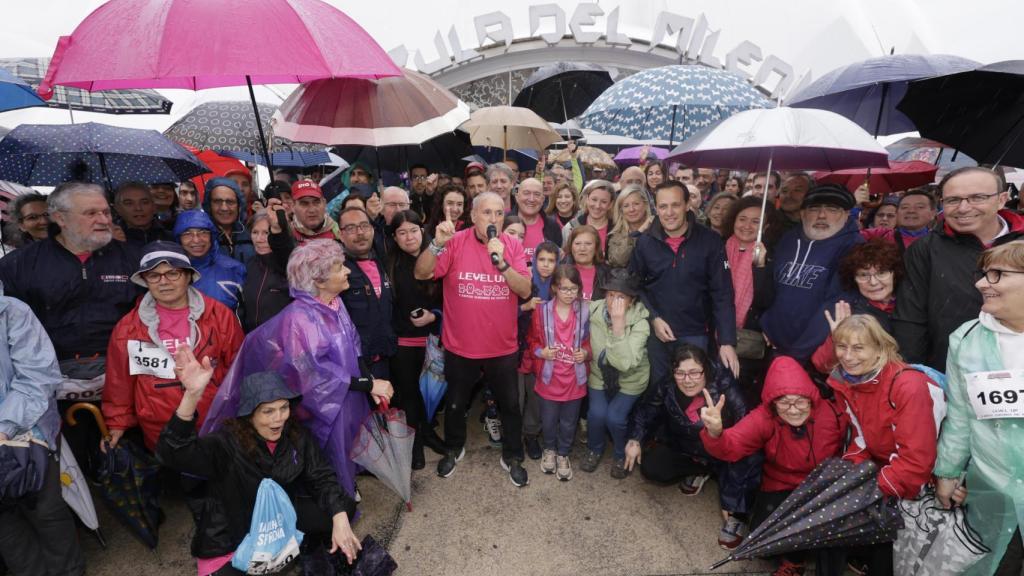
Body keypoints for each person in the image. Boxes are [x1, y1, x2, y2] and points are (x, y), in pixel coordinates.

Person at [201, 239, 393, 498]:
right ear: (318, 280)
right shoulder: (300, 318)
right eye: (339, 267)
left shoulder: (334, 304)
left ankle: (348, 486)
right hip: (325, 406)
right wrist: (369, 384)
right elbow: (313, 373)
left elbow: (353, 345)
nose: (347, 271)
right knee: (332, 453)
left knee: (350, 444)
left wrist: (368, 383)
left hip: (348, 395)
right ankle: (338, 506)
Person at [157, 360, 361, 574]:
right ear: (249, 414)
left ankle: (301, 545)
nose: (279, 418)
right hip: (234, 534)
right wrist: (191, 395)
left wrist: (340, 519)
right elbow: (172, 453)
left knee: (343, 507)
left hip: (279, 519)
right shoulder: (226, 444)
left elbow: (321, 477)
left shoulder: (296, 437)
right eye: (268, 411)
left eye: (284, 408)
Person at [414, 191, 532, 486]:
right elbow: (422, 272)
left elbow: (526, 290)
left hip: (501, 346)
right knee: (456, 403)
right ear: (474, 215)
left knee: (510, 405)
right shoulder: (455, 242)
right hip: (460, 346)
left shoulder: (512, 245)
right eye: (487, 213)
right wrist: (436, 243)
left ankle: (513, 455)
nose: (494, 219)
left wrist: (503, 263)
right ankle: (454, 447)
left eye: (499, 214)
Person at [700, 356, 847, 575]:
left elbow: (857, 445)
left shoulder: (833, 414)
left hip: (824, 484)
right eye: (784, 401)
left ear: (811, 398)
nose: (794, 409)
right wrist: (715, 433)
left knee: (830, 531)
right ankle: (799, 549)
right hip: (781, 485)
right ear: (772, 402)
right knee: (765, 545)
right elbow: (731, 446)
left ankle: (797, 561)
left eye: (800, 401)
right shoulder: (764, 418)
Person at [824, 314, 939, 575]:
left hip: (921, 478)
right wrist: (851, 477)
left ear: (880, 349)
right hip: (886, 467)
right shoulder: (847, 381)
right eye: (842, 347)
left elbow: (916, 461)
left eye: (858, 347)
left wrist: (871, 490)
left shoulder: (907, 385)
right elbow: (858, 438)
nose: (847, 356)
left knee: (885, 553)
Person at [935, 241, 1024, 576]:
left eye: (997, 274)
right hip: (992, 489)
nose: (981, 283)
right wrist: (948, 472)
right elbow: (960, 415)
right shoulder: (966, 339)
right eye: (985, 273)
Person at [102, 242, 243, 451]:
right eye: (154, 275)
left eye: (173, 273)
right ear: (144, 281)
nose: (163, 282)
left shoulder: (219, 316)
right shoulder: (128, 328)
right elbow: (119, 382)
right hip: (159, 429)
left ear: (188, 276)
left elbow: (238, 368)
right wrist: (117, 423)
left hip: (215, 422)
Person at [626, 344, 759, 550]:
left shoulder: (724, 383)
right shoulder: (668, 384)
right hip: (688, 448)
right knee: (652, 466)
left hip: (724, 450)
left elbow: (747, 422)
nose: (687, 380)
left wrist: (732, 501)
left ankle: (736, 515)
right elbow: (646, 410)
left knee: (747, 460)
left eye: (695, 372)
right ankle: (701, 469)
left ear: (705, 368)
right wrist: (635, 439)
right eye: (680, 373)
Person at [894, 167, 1024, 370]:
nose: (963, 208)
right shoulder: (925, 249)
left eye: (977, 197)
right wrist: (915, 372)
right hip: (947, 369)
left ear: (1002, 199)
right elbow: (910, 317)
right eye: (953, 200)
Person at [0, 287, 85, 576]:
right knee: (5, 526)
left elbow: (36, 375)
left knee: (46, 512)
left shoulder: (11, 311)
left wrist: (3, 429)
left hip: (25, 432)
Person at [629, 180, 739, 387]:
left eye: (676, 205)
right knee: (658, 391)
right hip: (658, 334)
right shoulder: (644, 243)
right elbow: (636, 287)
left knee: (692, 392)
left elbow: (723, 293)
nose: (669, 212)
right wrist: (654, 318)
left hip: (696, 333)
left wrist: (726, 341)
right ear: (656, 208)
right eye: (663, 206)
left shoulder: (711, 241)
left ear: (687, 205)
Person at [756, 184, 862, 362]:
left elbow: (835, 306)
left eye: (832, 209)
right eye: (814, 208)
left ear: (845, 215)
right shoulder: (788, 239)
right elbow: (772, 290)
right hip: (772, 347)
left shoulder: (854, 248)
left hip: (812, 357)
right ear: (802, 213)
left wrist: (797, 355)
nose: (822, 215)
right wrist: (766, 325)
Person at [388, 210, 445, 470]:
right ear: (394, 237)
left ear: (422, 231)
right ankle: (417, 442)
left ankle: (430, 432)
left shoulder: (439, 257)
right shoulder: (389, 264)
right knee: (410, 394)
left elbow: (450, 299)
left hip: (434, 339)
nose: (409, 236)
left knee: (431, 393)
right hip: (404, 342)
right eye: (402, 232)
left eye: (413, 230)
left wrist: (434, 317)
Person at [580, 269, 650, 479]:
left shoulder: (640, 323)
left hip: (631, 379)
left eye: (621, 296)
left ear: (631, 300)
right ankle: (595, 448)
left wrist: (619, 326)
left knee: (615, 417)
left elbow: (625, 364)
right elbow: (570, 309)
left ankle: (621, 454)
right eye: (610, 294)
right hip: (599, 374)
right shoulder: (595, 310)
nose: (614, 301)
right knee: (596, 414)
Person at [525, 265, 591, 481]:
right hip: (549, 377)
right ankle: (550, 450)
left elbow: (592, 342)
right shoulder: (542, 311)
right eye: (564, 288)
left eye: (573, 289)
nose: (569, 293)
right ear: (554, 288)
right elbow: (532, 341)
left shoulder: (585, 311)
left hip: (575, 378)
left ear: (579, 289)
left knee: (570, 421)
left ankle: (563, 453)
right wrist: (540, 352)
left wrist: (587, 354)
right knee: (549, 419)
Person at [811, 240, 903, 373]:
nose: (873, 282)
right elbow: (821, 364)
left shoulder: (911, 303)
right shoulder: (846, 310)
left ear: (894, 274)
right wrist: (837, 337)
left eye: (881, 272)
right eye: (863, 275)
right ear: (853, 279)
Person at [338, 207, 396, 379]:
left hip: (387, 356)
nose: (360, 232)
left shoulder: (384, 262)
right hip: (356, 365)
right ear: (340, 235)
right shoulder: (336, 271)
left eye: (364, 225)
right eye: (351, 228)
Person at [174, 210, 247, 312]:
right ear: (179, 239)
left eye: (203, 232)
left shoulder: (234, 269)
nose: (196, 240)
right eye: (187, 234)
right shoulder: (170, 273)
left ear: (212, 237)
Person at [241, 208, 293, 332]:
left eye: (266, 233)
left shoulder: (289, 263)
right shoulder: (249, 264)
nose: (259, 239)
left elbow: (283, 249)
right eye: (255, 232)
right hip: (253, 341)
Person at [862, 189, 937, 254]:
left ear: (933, 213)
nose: (911, 211)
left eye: (919, 207)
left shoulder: (941, 242)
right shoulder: (880, 235)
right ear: (897, 213)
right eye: (905, 207)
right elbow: (851, 238)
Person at [201, 177, 255, 265]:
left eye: (230, 202)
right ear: (209, 205)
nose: (224, 208)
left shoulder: (252, 235)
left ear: (239, 206)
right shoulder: (200, 238)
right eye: (217, 201)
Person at [112, 182, 173, 246]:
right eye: (129, 203)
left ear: (154, 207)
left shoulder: (171, 238)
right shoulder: (111, 239)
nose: (138, 208)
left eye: (144, 202)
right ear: (118, 209)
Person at [605, 184, 653, 268]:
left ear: (645, 205)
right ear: (621, 210)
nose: (631, 209)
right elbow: (618, 260)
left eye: (636, 204)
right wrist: (638, 232)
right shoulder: (616, 234)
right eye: (626, 206)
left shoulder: (657, 228)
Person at [514, 178, 562, 258]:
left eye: (537, 194)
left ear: (543, 199)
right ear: (517, 197)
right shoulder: (504, 223)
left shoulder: (552, 226)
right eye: (526, 193)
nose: (531, 199)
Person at [561, 179, 614, 250]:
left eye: (604, 202)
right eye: (594, 200)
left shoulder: (617, 230)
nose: (597, 206)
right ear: (587, 199)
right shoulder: (571, 228)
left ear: (610, 204)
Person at [564, 224, 609, 301]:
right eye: (577, 244)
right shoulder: (560, 270)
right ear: (571, 246)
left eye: (588, 244)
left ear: (596, 248)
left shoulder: (608, 274)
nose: (582, 248)